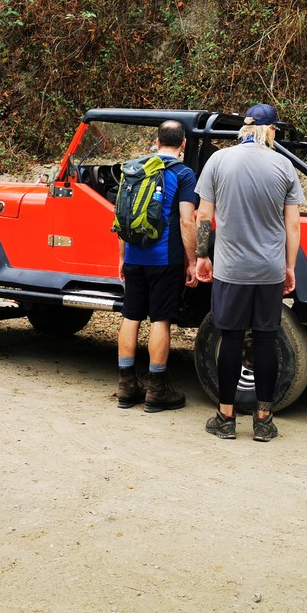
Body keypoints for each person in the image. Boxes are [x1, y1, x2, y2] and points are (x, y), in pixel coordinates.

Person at [194, 104, 303, 441]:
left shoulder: (218, 161)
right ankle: (264, 420)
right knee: (266, 339)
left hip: (231, 269)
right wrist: (289, 266)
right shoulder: (283, 165)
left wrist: (202, 256)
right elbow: (293, 224)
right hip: (269, 269)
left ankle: (226, 418)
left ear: (244, 128)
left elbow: (203, 216)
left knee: (231, 338)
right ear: (271, 130)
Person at [116, 120, 198, 412]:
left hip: (134, 256)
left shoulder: (135, 169)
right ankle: (157, 390)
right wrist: (193, 261)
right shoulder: (183, 173)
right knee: (160, 319)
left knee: (130, 316)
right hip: (164, 259)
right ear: (183, 144)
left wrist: (122, 258)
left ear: (157, 141)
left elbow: (121, 217)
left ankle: (126, 386)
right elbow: (187, 221)